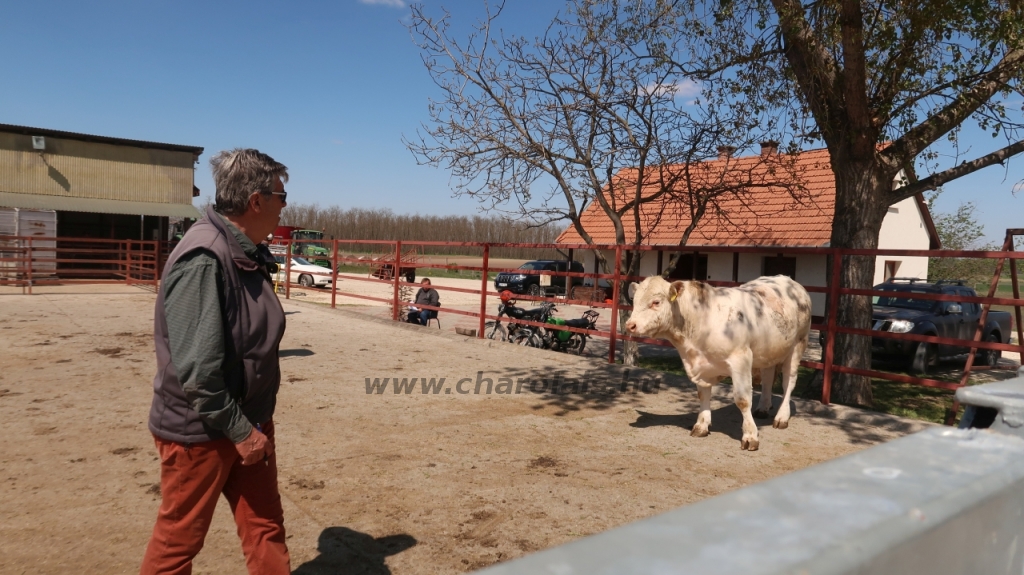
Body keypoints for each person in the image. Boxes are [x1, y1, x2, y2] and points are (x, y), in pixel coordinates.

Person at [140, 149, 291, 575]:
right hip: (203, 430)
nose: (284, 206)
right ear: (256, 201)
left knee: (265, 527)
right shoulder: (205, 257)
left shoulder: (245, 250)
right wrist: (242, 432)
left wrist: (252, 426)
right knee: (179, 542)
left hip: (249, 421)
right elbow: (199, 371)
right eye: (282, 196)